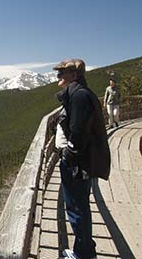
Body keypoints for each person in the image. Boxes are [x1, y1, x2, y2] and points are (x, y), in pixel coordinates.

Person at [53, 58, 110, 259]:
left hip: (77, 164)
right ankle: (83, 250)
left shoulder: (78, 96)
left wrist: (68, 154)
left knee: (77, 208)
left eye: (62, 73)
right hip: (82, 162)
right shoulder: (80, 94)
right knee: (80, 207)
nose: (58, 76)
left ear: (74, 75)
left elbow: (78, 132)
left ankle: (84, 254)